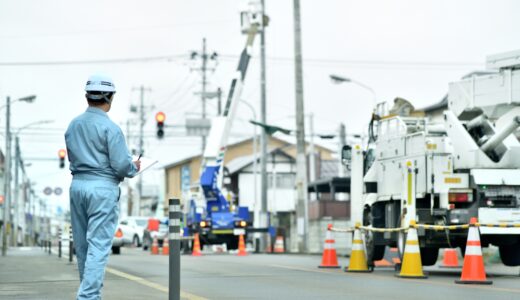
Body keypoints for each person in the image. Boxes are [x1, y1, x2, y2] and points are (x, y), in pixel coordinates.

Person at [65, 74, 141, 300]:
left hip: (78, 185)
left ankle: (88, 293)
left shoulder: (73, 125)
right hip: (102, 188)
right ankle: (88, 297)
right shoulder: (111, 128)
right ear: (109, 97)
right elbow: (121, 166)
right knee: (98, 245)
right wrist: (133, 167)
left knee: (82, 245)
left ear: (87, 97)